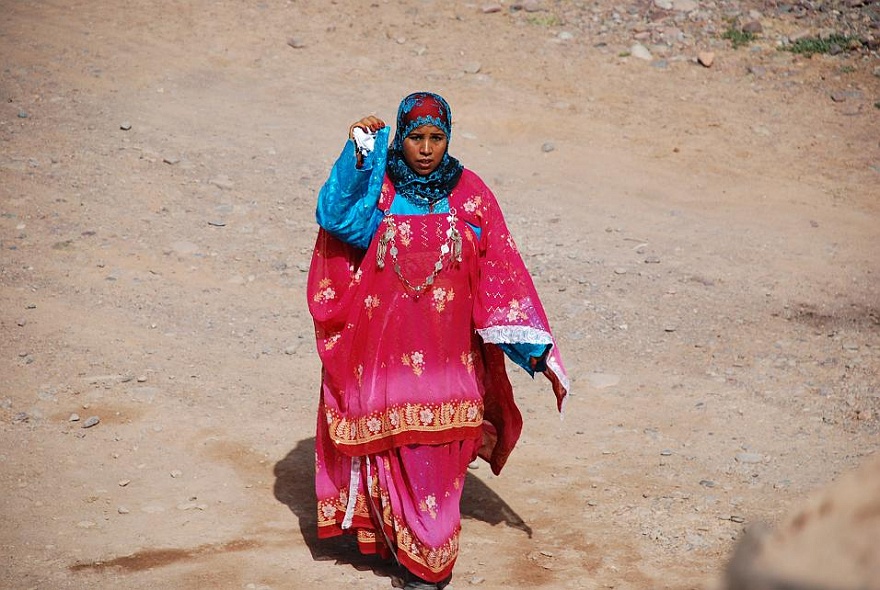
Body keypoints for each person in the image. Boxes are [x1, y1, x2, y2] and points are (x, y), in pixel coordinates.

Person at [307, 92, 569, 590]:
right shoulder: (378, 190)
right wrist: (357, 155)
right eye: (415, 137)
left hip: (451, 360)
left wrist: (537, 350)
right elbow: (336, 217)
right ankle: (410, 555)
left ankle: (429, 562)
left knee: (442, 451)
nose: (426, 148)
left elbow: (503, 272)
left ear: (448, 138)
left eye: (436, 137)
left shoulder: (471, 194)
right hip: (383, 357)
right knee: (394, 448)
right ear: (400, 138)